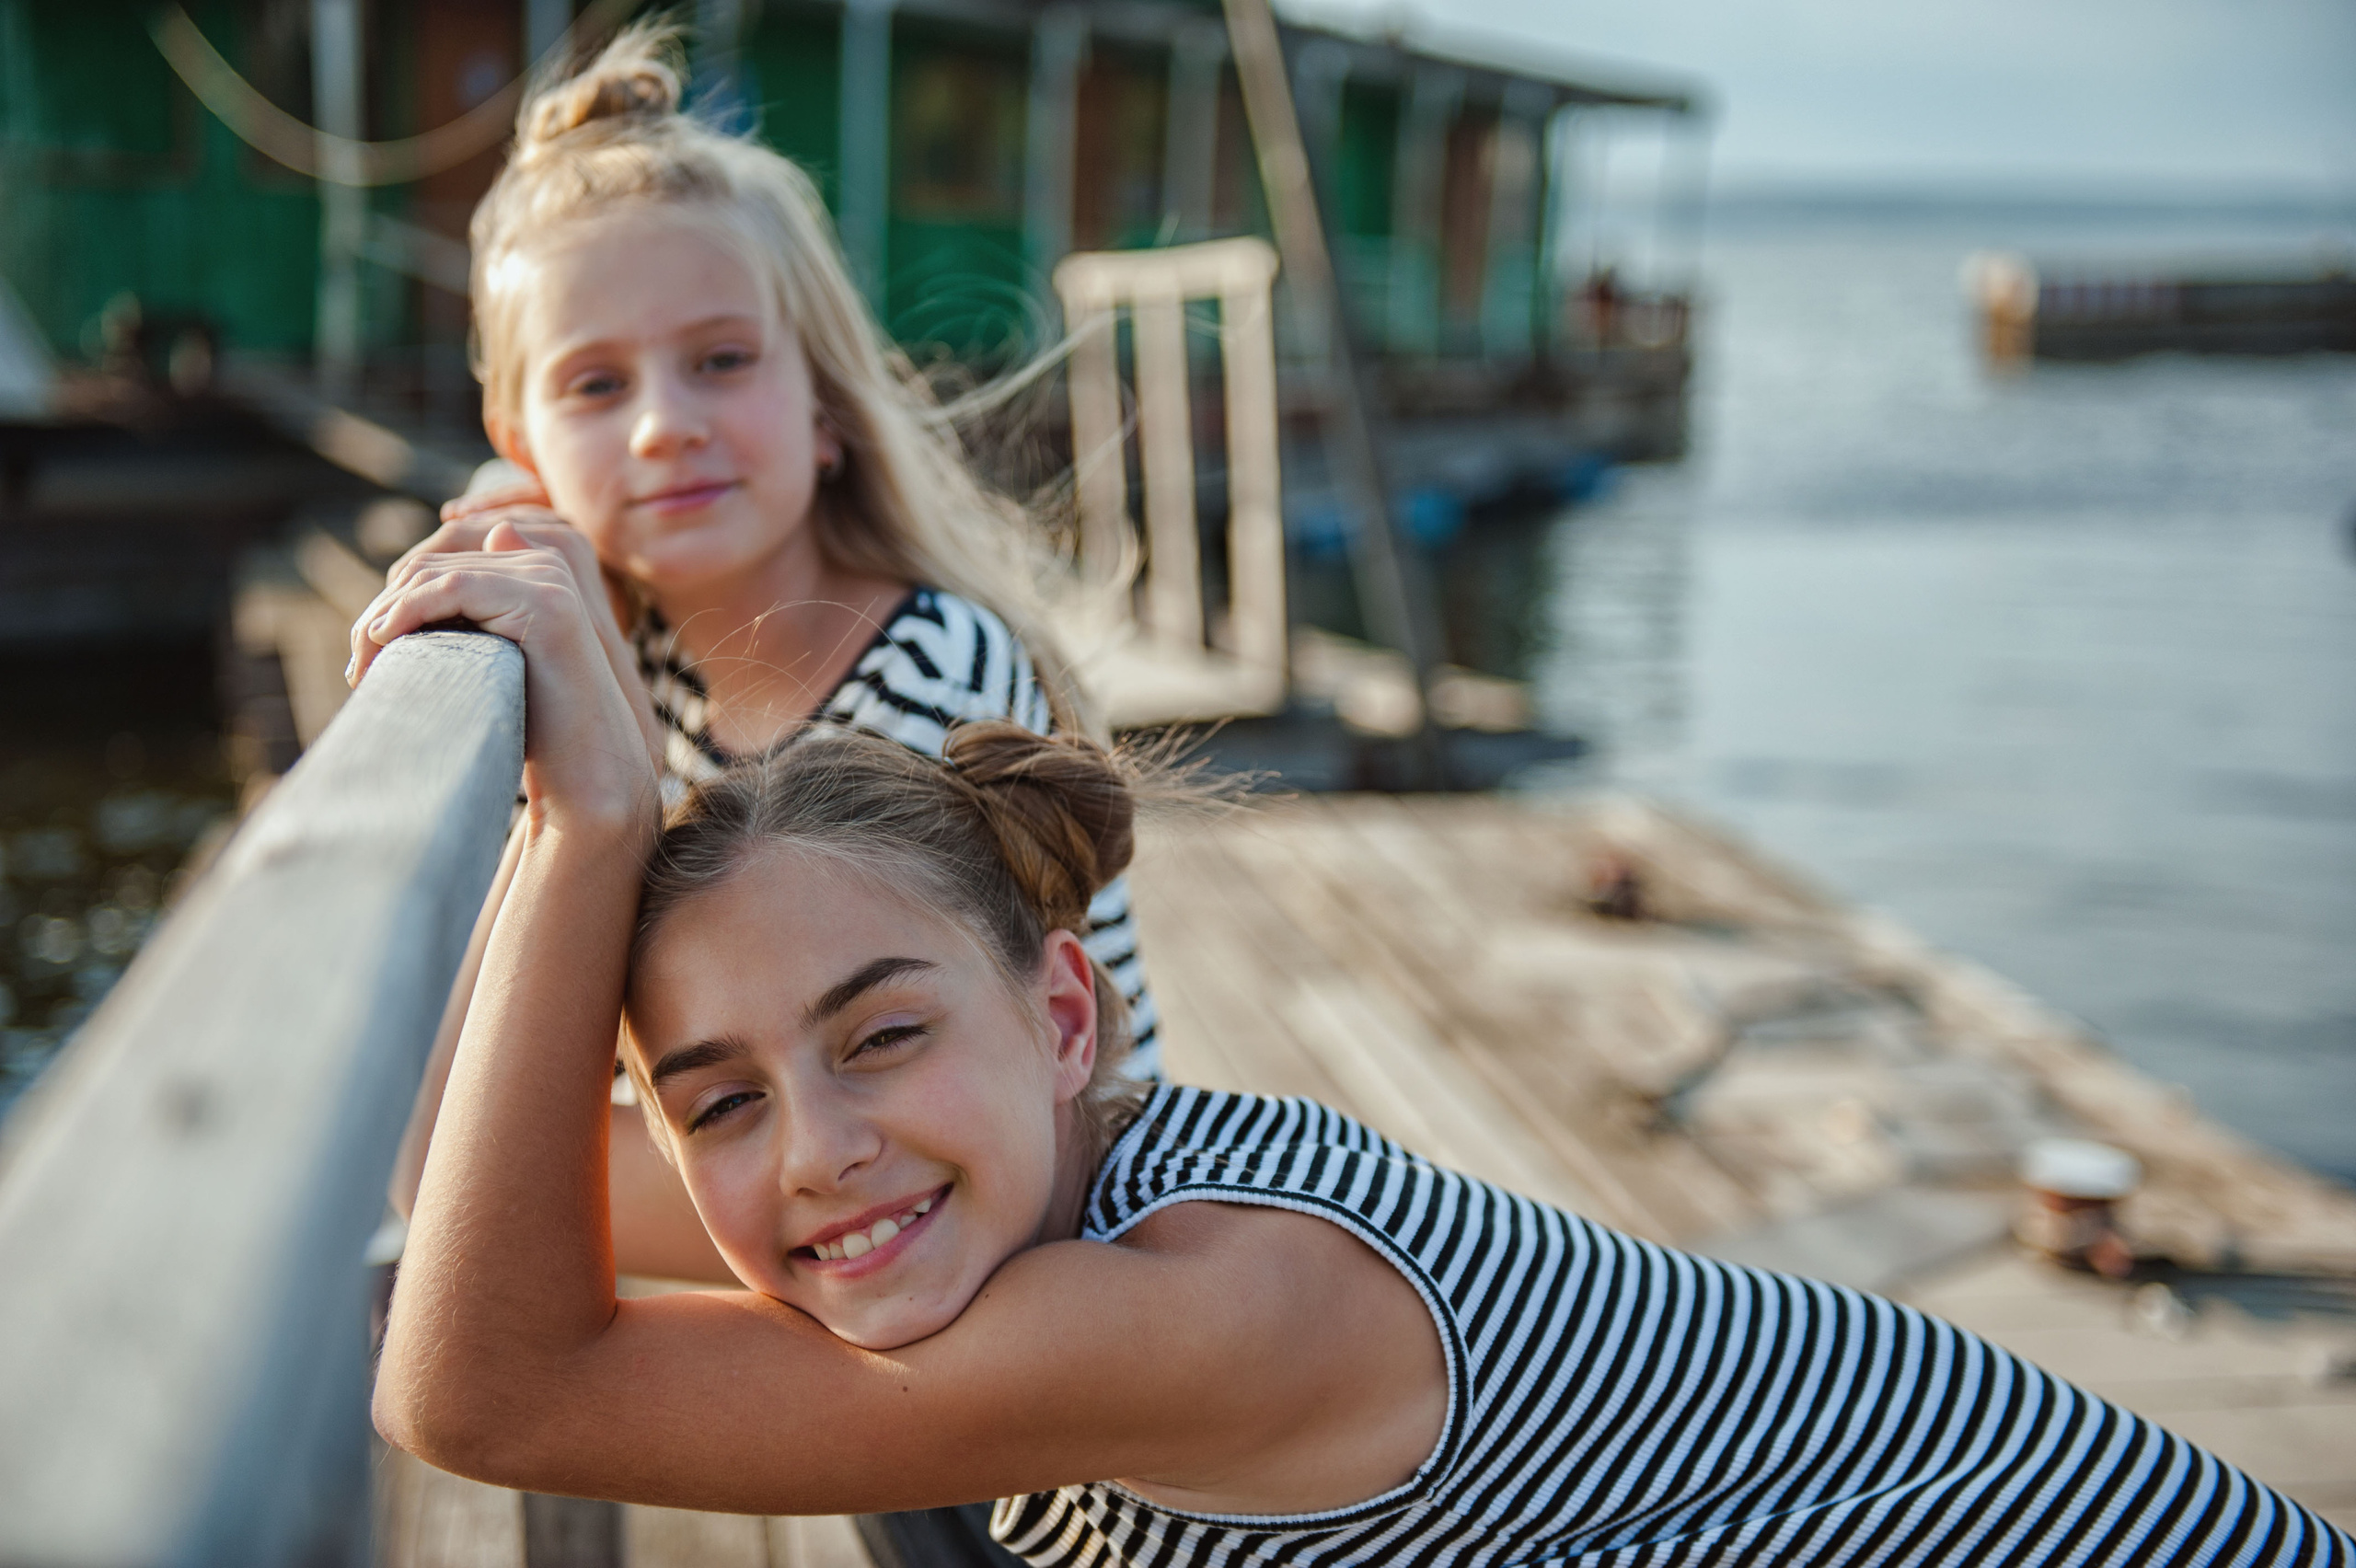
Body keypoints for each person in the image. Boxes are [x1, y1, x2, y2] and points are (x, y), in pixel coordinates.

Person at [360, 534, 2350, 1565]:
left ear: (1062, 1014)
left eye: (877, 1035)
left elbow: (481, 1394)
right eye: (719, 1095)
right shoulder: (987, 1174)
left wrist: (589, 825)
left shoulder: (1206, 1297)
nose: (813, 1156)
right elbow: (463, 1184)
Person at [362, 23, 1161, 1290]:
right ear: (523, 445)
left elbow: (996, 1093)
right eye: (594, 388)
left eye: (722, 362)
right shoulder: (655, 670)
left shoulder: (931, 674)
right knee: (446, 1164)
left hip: (1054, 1216)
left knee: (457, 1173)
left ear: (826, 408)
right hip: (868, 1179)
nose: (668, 426)